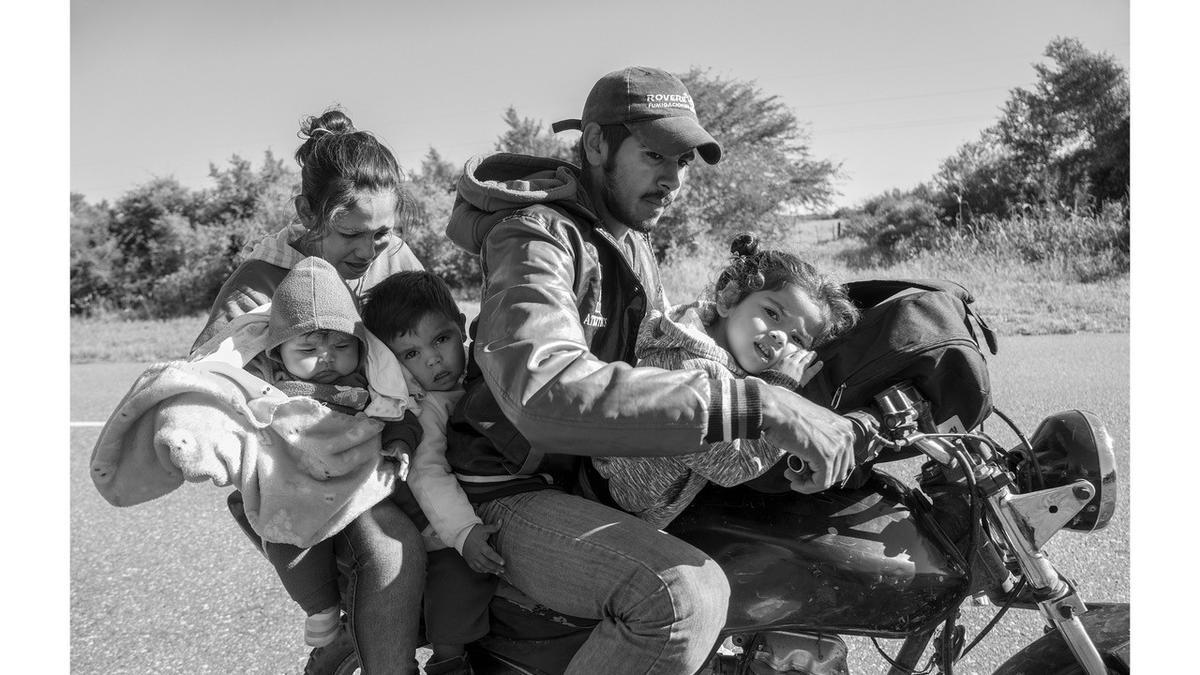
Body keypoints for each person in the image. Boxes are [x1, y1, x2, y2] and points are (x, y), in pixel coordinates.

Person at [443, 66, 873, 674]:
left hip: (583, 479)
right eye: (654, 155)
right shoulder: (535, 237)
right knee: (681, 597)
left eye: (683, 163)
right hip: (511, 489)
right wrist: (761, 404)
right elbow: (541, 388)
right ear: (596, 144)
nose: (672, 179)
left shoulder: (628, 237)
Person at [192, 108, 427, 674]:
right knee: (391, 550)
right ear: (306, 214)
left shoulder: (391, 259)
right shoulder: (264, 278)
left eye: (383, 233)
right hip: (302, 466)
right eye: (349, 234)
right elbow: (208, 375)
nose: (368, 252)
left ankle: (352, 640)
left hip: (393, 443)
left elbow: (433, 338)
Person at [593, 233, 861, 528]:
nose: (779, 336)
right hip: (613, 511)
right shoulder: (687, 366)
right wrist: (780, 390)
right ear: (729, 298)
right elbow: (734, 465)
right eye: (772, 313)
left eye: (797, 339)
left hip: (654, 506)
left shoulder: (721, 355)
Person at [243, 256, 424, 649]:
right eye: (308, 347)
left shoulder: (371, 381)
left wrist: (400, 442)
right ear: (277, 353)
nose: (327, 358)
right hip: (295, 478)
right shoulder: (266, 384)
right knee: (287, 534)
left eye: (342, 345)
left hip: (361, 481)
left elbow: (398, 413)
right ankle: (319, 605)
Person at [361, 271, 499, 675]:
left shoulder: (483, 368)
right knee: (456, 577)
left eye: (441, 339)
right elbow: (428, 474)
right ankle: (448, 659)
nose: (433, 359)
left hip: (475, 494)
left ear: (460, 325)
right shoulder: (425, 406)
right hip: (433, 520)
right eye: (411, 354)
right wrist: (463, 532)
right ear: (393, 362)